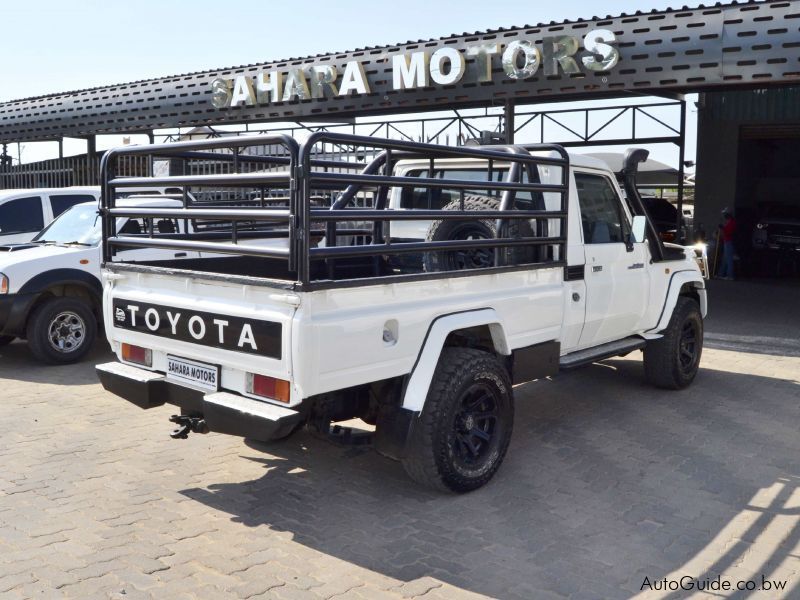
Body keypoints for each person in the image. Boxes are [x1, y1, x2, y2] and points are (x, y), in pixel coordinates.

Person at [717, 208, 737, 280]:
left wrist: (722, 228)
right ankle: (721, 274)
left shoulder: (732, 222)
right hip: (727, 241)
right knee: (725, 259)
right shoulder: (729, 222)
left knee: (729, 259)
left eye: (725, 214)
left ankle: (730, 275)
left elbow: (728, 232)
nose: (724, 215)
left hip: (729, 241)